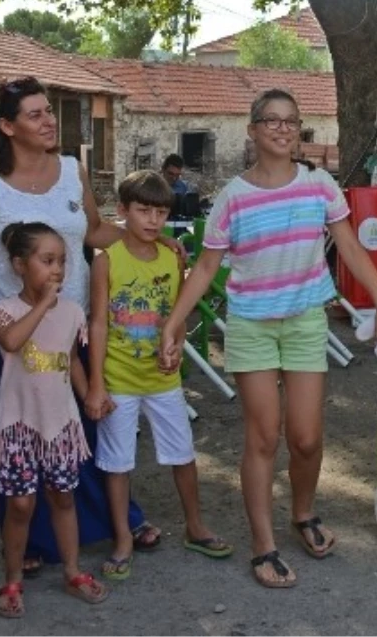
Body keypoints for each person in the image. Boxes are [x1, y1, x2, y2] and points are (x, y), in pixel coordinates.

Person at [160, 89, 377, 589]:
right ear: (252, 131)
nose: (281, 128)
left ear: (299, 130)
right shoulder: (233, 197)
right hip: (252, 325)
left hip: (303, 321)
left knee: (307, 437)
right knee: (261, 436)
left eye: (290, 121)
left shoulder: (320, 186)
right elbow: (207, 266)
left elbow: (349, 245)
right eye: (270, 121)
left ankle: (302, 513)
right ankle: (263, 544)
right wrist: (173, 322)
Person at [0, 77, 162, 572]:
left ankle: (113, 519)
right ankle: (25, 541)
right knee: (25, 433)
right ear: (6, 126)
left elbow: (92, 231)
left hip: (79, 325)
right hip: (19, 337)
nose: (49, 121)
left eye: (49, 111)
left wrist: (147, 240)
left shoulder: (73, 171)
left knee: (89, 427)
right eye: (35, 114)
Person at [86, 171, 232, 581]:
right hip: (118, 377)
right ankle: (122, 538)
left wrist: (176, 348)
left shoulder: (173, 256)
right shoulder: (106, 262)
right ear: (123, 211)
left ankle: (195, 526)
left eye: (161, 212)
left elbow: (178, 313)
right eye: (143, 210)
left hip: (163, 379)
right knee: (117, 464)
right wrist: (96, 382)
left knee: (183, 455)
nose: (152, 220)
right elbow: (97, 324)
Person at [0, 222, 109, 617]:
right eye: (47, 261)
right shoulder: (2, 312)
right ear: (19, 265)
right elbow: (12, 342)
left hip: (60, 425)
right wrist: (42, 303)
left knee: (63, 497)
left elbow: (71, 358)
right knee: (20, 504)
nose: (57, 269)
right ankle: (12, 578)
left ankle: (72, 572)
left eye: (63, 261)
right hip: (18, 425)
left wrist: (91, 390)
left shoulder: (73, 312)